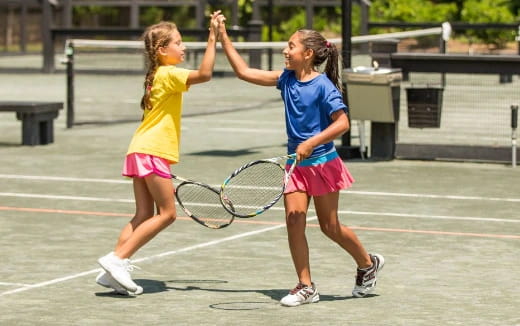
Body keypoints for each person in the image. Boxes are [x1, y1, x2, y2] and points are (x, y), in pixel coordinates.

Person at [217, 17, 384, 307]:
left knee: (329, 227)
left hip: (323, 164)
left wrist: (311, 142)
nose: (285, 50)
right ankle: (305, 286)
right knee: (294, 221)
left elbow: (342, 123)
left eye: (291, 46)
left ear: (307, 54)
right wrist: (222, 36)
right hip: (296, 166)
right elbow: (244, 72)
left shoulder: (323, 86)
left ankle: (367, 263)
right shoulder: (285, 79)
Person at [95, 12, 223, 295]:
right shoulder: (167, 73)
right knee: (167, 214)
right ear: (162, 50)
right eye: (178, 43)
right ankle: (116, 260)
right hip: (151, 151)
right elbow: (205, 74)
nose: (184, 47)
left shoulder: (158, 74)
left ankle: (112, 269)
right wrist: (213, 36)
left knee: (142, 214)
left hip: (140, 149)